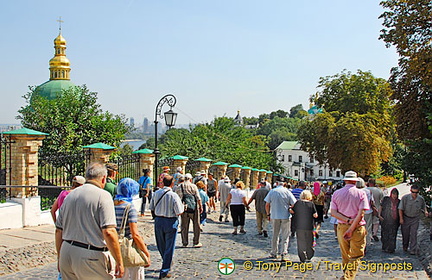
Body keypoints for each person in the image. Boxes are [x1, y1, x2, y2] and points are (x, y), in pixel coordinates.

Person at [55, 162, 124, 279]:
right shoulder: (103, 196)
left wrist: (60, 256)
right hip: (90, 255)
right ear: (103, 179)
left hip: (67, 251)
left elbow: (58, 231)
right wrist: (119, 261)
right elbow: (109, 232)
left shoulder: (69, 196)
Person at [331, 171, 369, 280]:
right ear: (355, 181)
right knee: (356, 255)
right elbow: (361, 214)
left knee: (345, 255)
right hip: (357, 227)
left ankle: (346, 275)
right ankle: (348, 278)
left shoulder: (336, 193)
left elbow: (333, 213)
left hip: (342, 226)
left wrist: (347, 221)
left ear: (345, 180)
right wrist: (352, 227)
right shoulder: (361, 194)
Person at [114, 178, 151, 279]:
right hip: (128, 247)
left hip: (114, 247)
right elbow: (135, 234)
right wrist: (146, 252)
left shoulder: (111, 205)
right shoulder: (129, 208)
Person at [149, 175, 184, 279]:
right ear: (172, 184)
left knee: (161, 245)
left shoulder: (156, 193)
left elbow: (151, 207)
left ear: (163, 182)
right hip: (170, 221)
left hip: (159, 221)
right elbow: (179, 211)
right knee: (169, 246)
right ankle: (165, 269)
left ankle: (166, 263)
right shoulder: (174, 196)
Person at [265, 178, 297, 261]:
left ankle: (274, 252)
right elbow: (294, 203)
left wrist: (268, 214)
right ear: (284, 183)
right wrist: (289, 207)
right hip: (285, 216)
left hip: (274, 215)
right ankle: (283, 252)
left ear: (276, 183)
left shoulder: (272, 191)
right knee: (285, 235)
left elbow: (267, 204)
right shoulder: (287, 192)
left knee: (275, 234)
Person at [398, 184, 428, 255]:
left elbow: (424, 206)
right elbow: (400, 209)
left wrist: (426, 211)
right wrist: (401, 219)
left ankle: (413, 249)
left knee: (414, 234)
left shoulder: (420, 199)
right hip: (406, 217)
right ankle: (405, 245)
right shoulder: (405, 198)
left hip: (415, 218)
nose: (415, 194)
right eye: (413, 192)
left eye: (416, 193)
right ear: (410, 191)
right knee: (405, 234)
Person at [175, 173, 203, 248]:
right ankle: (196, 242)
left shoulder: (179, 186)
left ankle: (184, 242)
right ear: (190, 179)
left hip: (184, 208)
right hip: (194, 207)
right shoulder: (193, 186)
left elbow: (178, 198)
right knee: (196, 224)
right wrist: (200, 206)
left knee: (184, 226)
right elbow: (198, 197)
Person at [291, 190, 318, 262]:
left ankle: (302, 256)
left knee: (300, 241)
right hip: (309, 226)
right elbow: (315, 215)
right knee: (309, 241)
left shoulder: (298, 203)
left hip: (299, 225)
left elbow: (292, 211)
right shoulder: (311, 204)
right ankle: (309, 254)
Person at [378, 188, 400, 253]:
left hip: (394, 220)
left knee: (393, 234)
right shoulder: (386, 199)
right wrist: (379, 215)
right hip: (385, 219)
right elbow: (381, 207)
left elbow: (400, 210)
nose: (394, 196)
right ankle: (385, 247)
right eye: (393, 194)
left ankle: (391, 248)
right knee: (385, 233)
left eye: (396, 194)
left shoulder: (399, 201)